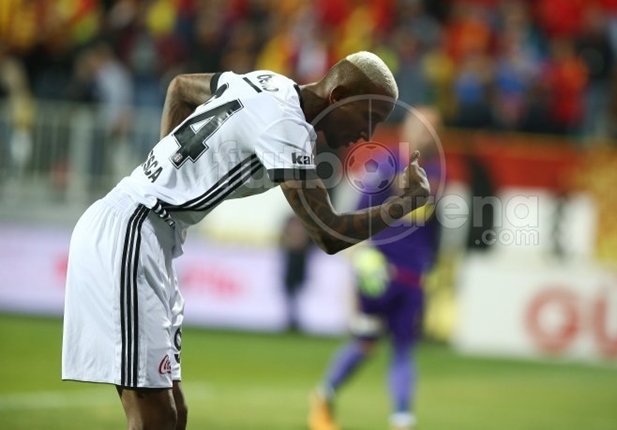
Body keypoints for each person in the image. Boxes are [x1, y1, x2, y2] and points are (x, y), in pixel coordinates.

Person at [61, 51, 431, 430]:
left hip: (151, 234)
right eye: (368, 118)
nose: (367, 135)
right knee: (154, 418)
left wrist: (166, 165)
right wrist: (403, 205)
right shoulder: (286, 127)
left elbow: (180, 88)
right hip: (132, 232)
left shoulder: (269, 83)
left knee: (174, 416)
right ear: (337, 96)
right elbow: (327, 232)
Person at [308, 107, 443, 430]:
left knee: (403, 348)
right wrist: (358, 262)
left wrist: (432, 265)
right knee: (365, 341)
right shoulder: (385, 166)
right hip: (379, 273)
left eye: (433, 127)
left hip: (413, 277)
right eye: (420, 125)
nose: (426, 132)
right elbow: (357, 217)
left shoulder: (436, 174)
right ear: (407, 129)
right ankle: (324, 395)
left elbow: (434, 228)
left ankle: (402, 419)